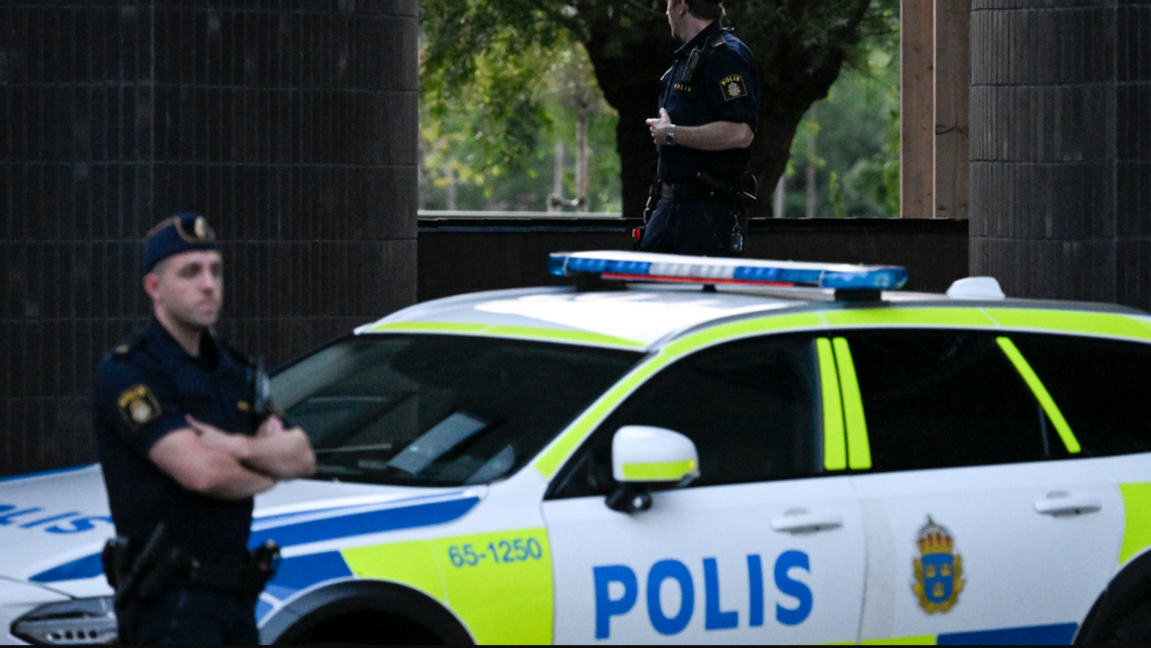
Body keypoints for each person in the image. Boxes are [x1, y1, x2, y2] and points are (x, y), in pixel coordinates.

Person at [92, 212, 316, 645]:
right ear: (154, 288)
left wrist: (231, 445)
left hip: (236, 598)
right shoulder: (131, 372)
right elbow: (201, 473)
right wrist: (266, 466)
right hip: (168, 605)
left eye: (215, 270)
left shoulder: (235, 370)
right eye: (190, 272)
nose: (209, 284)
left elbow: (302, 456)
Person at [640, 0, 760, 256]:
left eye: (669, 3)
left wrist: (671, 134)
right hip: (669, 207)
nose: (666, 11)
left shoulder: (725, 56)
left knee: (703, 294)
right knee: (644, 290)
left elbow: (741, 133)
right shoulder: (685, 59)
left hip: (708, 213)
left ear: (682, 6)